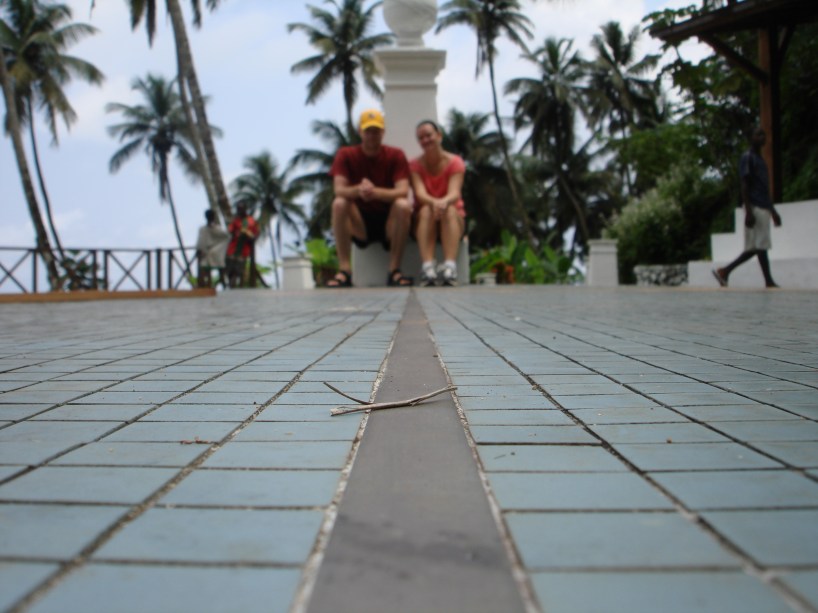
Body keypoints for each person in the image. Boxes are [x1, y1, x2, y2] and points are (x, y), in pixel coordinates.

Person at [327, 108, 414, 287]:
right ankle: (344, 270)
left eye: (376, 131)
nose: (372, 135)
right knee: (339, 203)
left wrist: (375, 192)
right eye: (368, 131)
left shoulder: (395, 155)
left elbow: (403, 191)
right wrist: (359, 190)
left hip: (389, 222)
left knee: (403, 205)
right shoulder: (346, 154)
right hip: (359, 223)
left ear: (383, 132)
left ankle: (394, 270)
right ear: (360, 131)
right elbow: (339, 190)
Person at [713, 126, 782, 288]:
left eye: (763, 135)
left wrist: (773, 211)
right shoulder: (748, 158)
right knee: (760, 246)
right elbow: (744, 185)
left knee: (756, 247)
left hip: (763, 206)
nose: (762, 138)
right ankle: (767, 280)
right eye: (758, 135)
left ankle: (726, 271)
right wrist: (748, 211)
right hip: (756, 206)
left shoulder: (761, 160)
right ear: (750, 137)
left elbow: (764, 189)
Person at [410, 119, 466, 286]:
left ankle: (450, 267)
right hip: (426, 218)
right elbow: (420, 194)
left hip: (452, 217)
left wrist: (442, 203)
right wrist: (435, 203)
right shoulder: (414, 165)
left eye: (429, 135)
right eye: (421, 138)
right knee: (426, 210)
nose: (425, 140)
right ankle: (428, 268)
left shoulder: (455, 162)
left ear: (439, 135)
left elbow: (454, 193)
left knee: (449, 210)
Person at [226, 204, 260, 288]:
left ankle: (240, 280)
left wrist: (250, 236)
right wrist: (235, 232)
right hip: (234, 246)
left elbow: (257, 232)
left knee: (240, 263)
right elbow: (230, 230)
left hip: (245, 246)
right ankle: (231, 279)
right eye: (238, 209)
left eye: (241, 209)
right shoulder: (235, 220)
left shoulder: (251, 220)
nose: (239, 211)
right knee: (229, 260)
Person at [195, 209, 229, 288]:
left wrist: (200, 250)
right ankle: (210, 285)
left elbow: (200, 242)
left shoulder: (211, 229)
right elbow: (226, 237)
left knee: (209, 269)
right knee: (210, 269)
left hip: (213, 252)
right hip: (213, 253)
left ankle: (214, 285)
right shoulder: (207, 229)